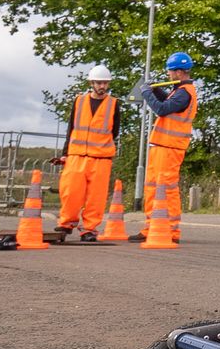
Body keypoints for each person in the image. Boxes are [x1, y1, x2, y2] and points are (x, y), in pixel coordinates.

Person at [130, 52, 197, 244]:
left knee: (166, 188)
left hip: (170, 148)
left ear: (177, 72)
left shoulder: (185, 92)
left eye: (169, 70)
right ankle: (152, 226)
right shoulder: (179, 91)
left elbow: (161, 109)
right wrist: (154, 90)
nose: (168, 74)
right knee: (153, 187)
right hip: (162, 147)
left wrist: (146, 93)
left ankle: (171, 230)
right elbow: (167, 102)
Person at [53, 65, 118, 241]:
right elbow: (71, 128)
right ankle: (66, 224)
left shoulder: (114, 104)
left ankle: (89, 229)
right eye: (99, 82)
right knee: (70, 192)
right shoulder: (79, 101)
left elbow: (115, 131)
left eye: (105, 83)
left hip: (101, 158)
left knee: (96, 197)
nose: (102, 86)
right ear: (91, 83)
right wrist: (65, 153)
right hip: (76, 155)